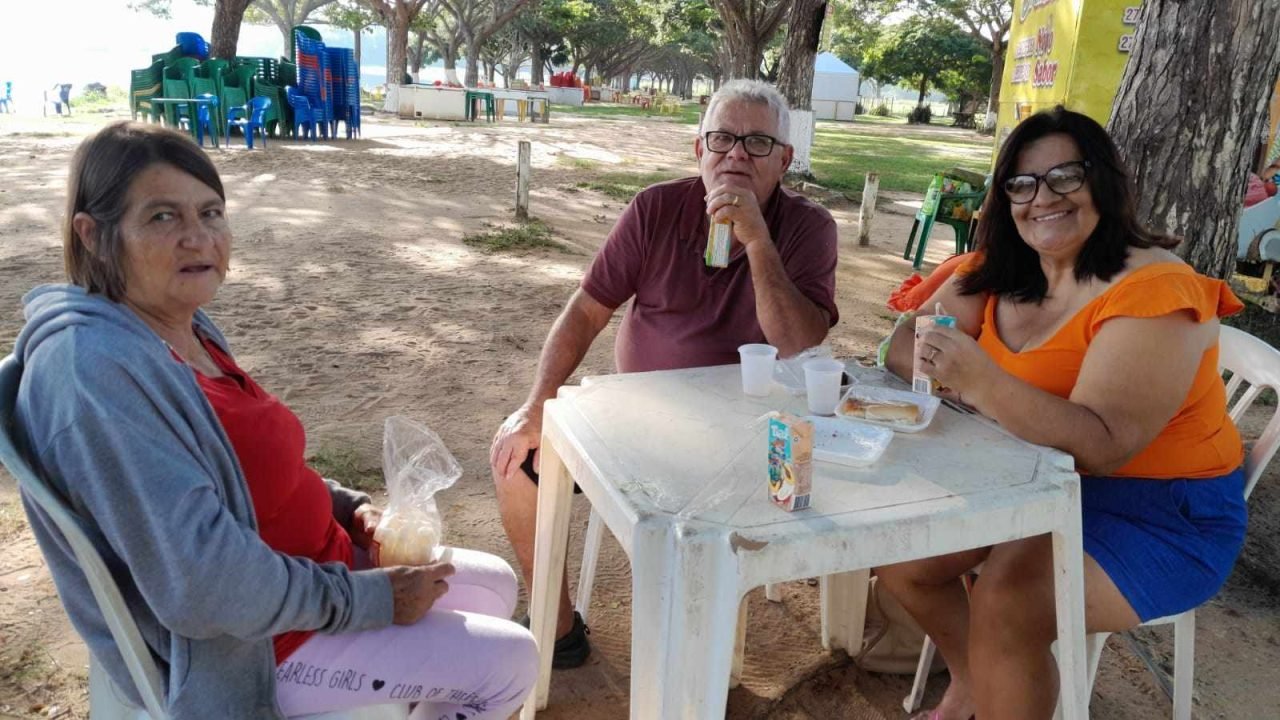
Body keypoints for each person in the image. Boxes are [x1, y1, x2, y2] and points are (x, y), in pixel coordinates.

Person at [12, 121, 538, 719]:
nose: (197, 238)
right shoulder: (96, 375)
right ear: (93, 235)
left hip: (313, 574)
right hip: (252, 647)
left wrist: (348, 508)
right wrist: (368, 600)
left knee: (495, 584)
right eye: (162, 217)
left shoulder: (180, 325)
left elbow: (251, 468)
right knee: (511, 661)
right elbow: (203, 587)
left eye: (211, 213)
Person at [878, 106, 1248, 720]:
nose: (1042, 198)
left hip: (1158, 509)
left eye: (1065, 177)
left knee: (1008, 603)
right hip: (1025, 476)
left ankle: (996, 677)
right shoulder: (999, 268)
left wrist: (980, 382)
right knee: (902, 553)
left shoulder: (1154, 289)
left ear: (1103, 181)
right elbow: (902, 348)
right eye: (1021, 184)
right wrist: (967, 382)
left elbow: (1103, 446)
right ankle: (975, 681)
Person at [489, 79, 840, 668]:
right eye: (721, 139)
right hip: (637, 421)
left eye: (757, 143)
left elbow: (797, 340)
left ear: (784, 160)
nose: (735, 155)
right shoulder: (655, 208)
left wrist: (758, 242)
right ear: (698, 150)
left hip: (749, 436)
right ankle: (558, 625)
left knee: (705, 547)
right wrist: (538, 403)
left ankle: (703, 652)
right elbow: (587, 309)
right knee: (515, 461)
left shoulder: (809, 227)